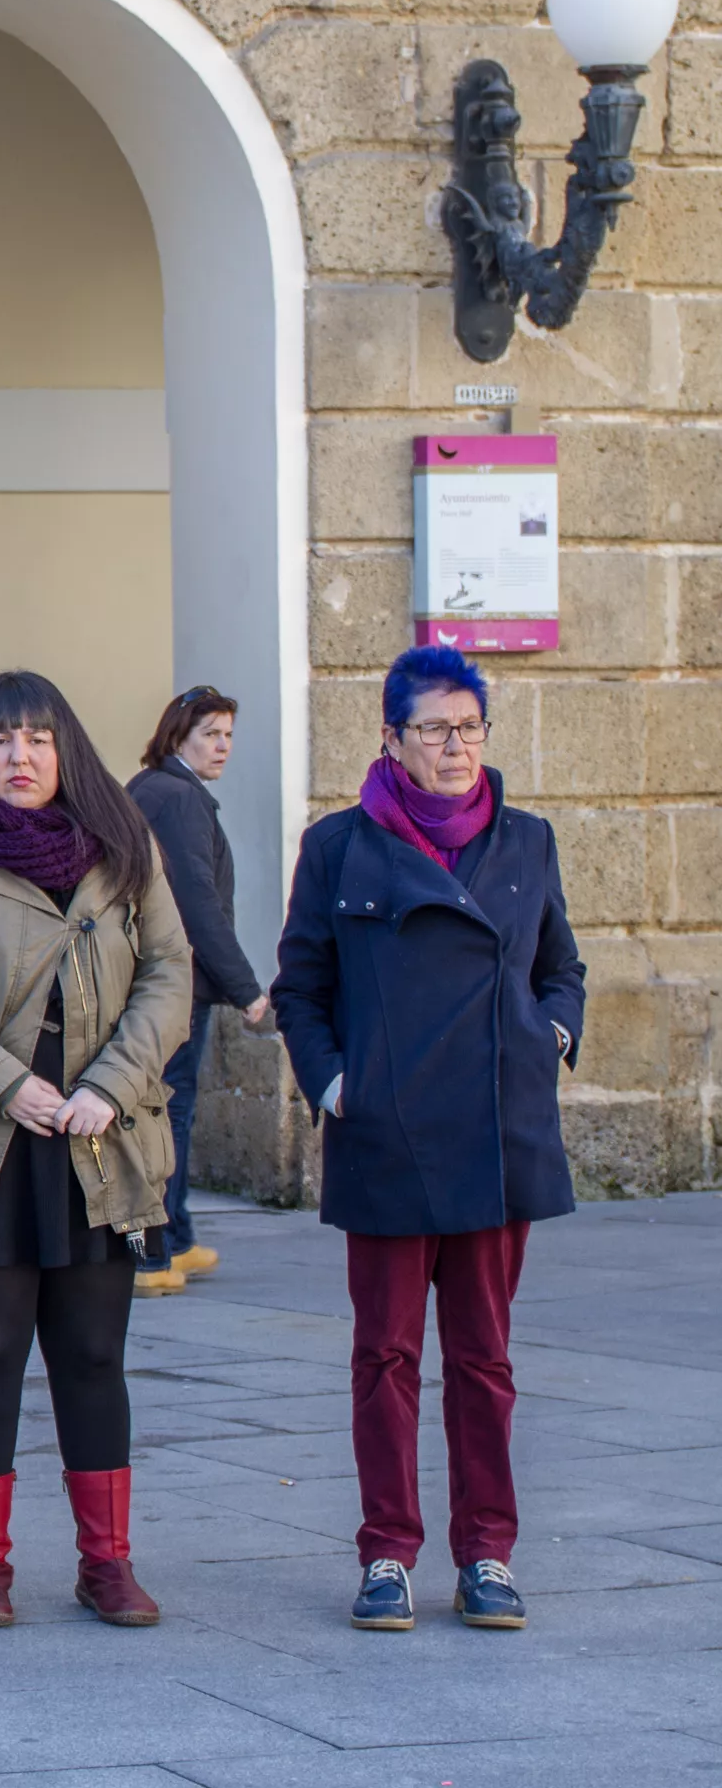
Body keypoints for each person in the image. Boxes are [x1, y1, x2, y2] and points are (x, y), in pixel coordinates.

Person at [270, 644, 582, 1634]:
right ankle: (388, 1554)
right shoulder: (339, 847)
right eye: (435, 729)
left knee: (485, 1358)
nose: (456, 746)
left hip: (498, 1131)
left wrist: (551, 1034)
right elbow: (302, 986)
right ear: (391, 738)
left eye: (470, 726)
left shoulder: (527, 842)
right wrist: (333, 1081)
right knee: (386, 1355)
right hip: (388, 1136)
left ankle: (488, 1551)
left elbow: (562, 967)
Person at [0, 670, 191, 1630]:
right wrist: (6, 1083)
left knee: (94, 1353)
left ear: (68, 751)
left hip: (100, 1139)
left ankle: (108, 1564)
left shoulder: (125, 843)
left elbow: (171, 970)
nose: (21, 758)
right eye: (3, 740)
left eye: (39, 740)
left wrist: (110, 1085)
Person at [124, 688, 272, 1298]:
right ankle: (152, 1254)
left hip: (165, 979)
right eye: (211, 733)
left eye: (229, 736)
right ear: (177, 734)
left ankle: (175, 1239)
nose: (223, 747)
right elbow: (197, 905)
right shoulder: (176, 797)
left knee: (166, 1113)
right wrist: (248, 990)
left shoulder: (157, 790)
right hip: (175, 984)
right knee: (166, 1117)